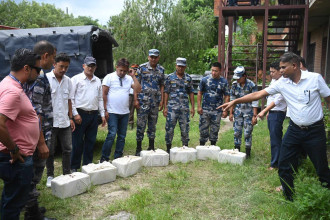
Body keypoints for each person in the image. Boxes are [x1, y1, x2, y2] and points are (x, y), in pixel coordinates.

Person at [218, 52, 330, 201]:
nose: (281, 70)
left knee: (321, 168)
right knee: (284, 166)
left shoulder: (314, 79)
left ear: (295, 66)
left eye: (283, 67)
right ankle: (289, 197)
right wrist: (235, 101)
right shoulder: (282, 83)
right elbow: (258, 94)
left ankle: (326, 198)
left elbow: (328, 99)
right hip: (295, 129)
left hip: (315, 131)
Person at [0, 48, 41, 219]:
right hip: (17, 158)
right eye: (37, 69)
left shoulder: (8, 84)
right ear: (26, 68)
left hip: (16, 156)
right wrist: (14, 149)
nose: (39, 73)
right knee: (14, 203)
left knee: (11, 199)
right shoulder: (13, 92)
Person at [24, 41, 56, 220]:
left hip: (36, 134)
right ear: (45, 56)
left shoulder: (36, 74)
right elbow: (35, 112)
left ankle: (32, 207)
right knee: (32, 176)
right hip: (36, 136)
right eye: (53, 57)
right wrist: (42, 142)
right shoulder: (37, 77)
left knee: (32, 176)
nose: (53, 60)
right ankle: (32, 214)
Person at [100, 58, 141, 162]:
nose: (122, 73)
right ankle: (104, 157)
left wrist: (133, 76)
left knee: (122, 136)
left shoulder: (129, 78)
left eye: (125, 71)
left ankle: (118, 157)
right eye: (120, 70)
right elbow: (104, 94)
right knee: (112, 134)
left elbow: (139, 89)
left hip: (125, 112)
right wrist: (105, 110)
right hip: (112, 111)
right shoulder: (109, 77)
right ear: (116, 67)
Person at [70, 56, 106, 172]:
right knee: (77, 142)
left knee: (91, 141)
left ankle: (87, 165)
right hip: (80, 114)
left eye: (93, 66)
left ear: (95, 67)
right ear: (83, 66)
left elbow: (100, 99)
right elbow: (71, 98)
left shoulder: (97, 81)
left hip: (93, 114)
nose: (90, 68)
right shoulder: (76, 79)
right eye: (88, 65)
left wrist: (103, 115)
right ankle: (74, 167)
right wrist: (75, 114)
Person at [46, 53, 75, 187]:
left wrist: (71, 118)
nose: (63, 70)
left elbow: (69, 100)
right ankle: (50, 175)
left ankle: (66, 173)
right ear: (54, 64)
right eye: (61, 66)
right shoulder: (45, 79)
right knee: (50, 151)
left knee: (67, 149)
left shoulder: (68, 81)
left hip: (64, 121)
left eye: (66, 67)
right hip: (50, 122)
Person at [134, 49, 165, 156]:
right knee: (141, 124)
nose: (153, 59)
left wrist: (161, 100)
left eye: (155, 57)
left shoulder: (161, 69)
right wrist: (135, 99)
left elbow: (162, 85)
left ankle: (151, 146)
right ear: (148, 57)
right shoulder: (142, 68)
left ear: (158, 58)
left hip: (155, 102)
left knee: (152, 124)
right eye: (151, 57)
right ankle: (138, 148)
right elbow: (136, 84)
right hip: (143, 102)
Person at [257, 61, 287, 170]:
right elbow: (271, 97)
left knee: (276, 139)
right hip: (272, 112)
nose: (271, 74)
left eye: (273, 72)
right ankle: (275, 160)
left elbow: (278, 100)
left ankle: (276, 164)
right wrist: (269, 111)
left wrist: (264, 110)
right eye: (270, 72)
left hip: (278, 113)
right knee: (273, 138)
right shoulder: (275, 80)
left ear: (280, 71)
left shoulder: (284, 82)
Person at [163, 57, 195, 153]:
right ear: (176, 65)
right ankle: (168, 149)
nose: (180, 68)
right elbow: (166, 92)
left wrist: (193, 107)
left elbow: (191, 93)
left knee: (185, 129)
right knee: (169, 129)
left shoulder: (188, 78)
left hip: (184, 108)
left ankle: (185, 148)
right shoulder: (169, 77)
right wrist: (165, 107)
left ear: (185, 67)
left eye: (182, 66)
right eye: (178, 66)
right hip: (172, 108)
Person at [197, 62, 230, 146]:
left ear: (220, 71)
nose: (213, 73)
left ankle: (213, 147)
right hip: (205, 109)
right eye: (212, 70)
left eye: (216, 71)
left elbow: (227, 96)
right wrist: (199, 106)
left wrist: (225, 110)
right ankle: (202, 147)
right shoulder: (204, 80)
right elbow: (199, 93)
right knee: (203, 129)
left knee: (214, 130)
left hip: (217, 110)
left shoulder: (224, 82)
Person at [229, 66, 258, 158]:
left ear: (244, 76)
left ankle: (247, 153)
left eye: (239, 78)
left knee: (247, 132)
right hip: (238, 112)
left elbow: (255, 101)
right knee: (237, 132)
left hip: (248, 113)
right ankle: (237, 151)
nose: (237, 80)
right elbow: (232, 99)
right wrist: (231, 113)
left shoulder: (252, 85)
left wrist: (254, 115)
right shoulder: (234, 85)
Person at [128, 64, 139, 130]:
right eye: (134, 69)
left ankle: (139, 123)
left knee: (139, 109)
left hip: (138, 94)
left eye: (136, 69)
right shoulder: (128, 76)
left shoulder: (139, 76)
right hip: (131, 94)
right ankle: (130, 123)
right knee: (130, 110)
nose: (135, 70)